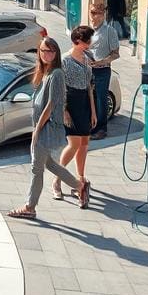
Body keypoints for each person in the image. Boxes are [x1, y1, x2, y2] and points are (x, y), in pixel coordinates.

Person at [8, 37, 89, 219]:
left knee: (36, 169)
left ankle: (30, 207)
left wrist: (37, 131)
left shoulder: (57, 74)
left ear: (57, 53)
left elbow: (51, 104)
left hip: (46, 129)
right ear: (39, 52)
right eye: (44, 51)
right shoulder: (45, 72)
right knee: (49, 164)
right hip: (43, 127)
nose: (47, 54)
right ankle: (80, 186)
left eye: (51, 51)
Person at [55, 26, 97, 203]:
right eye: (88, 40)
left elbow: (89, 86)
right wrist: (64, 110)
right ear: (78, 41)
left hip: (84, 102)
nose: (91, 43)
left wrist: (93, 111)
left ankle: (80, 177)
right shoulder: (65, 60)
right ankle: (57, 180)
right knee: (74, 143)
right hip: (70, 102)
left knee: (84, 143)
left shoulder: (88, 58)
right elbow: (60, 87)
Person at [88, 3, 119, 140]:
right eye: (91, 12)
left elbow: (115, 54)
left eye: (96, 13)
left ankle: (101, 129)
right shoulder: (89, 30)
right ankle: (91, 125)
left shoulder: (109, 31)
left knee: (101, 100)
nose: (93, 16)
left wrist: (102, 62)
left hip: (102, 70)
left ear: (102, 15)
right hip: (89, 69)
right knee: (89, 98)